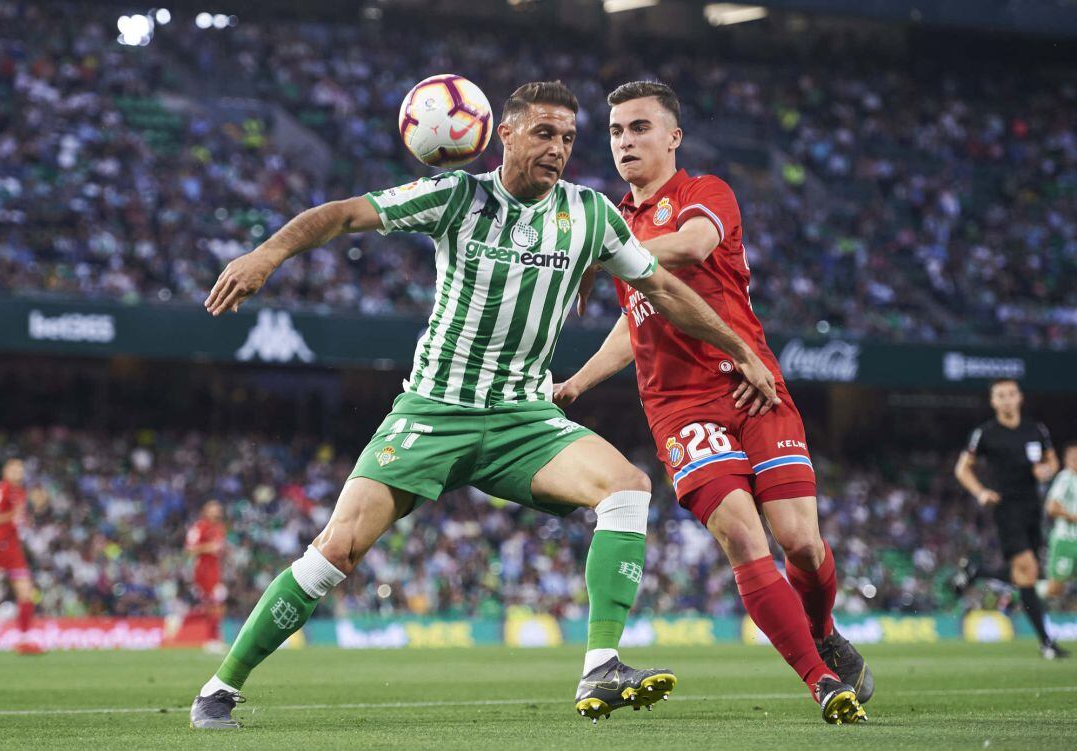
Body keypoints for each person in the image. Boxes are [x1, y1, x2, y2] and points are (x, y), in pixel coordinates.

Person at [190, 80, 782, 729]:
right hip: (434, 411)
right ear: (503, 134)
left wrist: (743, 349)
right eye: (543, 133)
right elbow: (343, 214)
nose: (557, 147)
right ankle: (220, 687)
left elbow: (664, 288)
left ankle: (601, 664)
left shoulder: (590, 215)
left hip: (522, 419)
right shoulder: (457, 198)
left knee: (626, 486)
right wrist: (267, 253)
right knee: (336, 550)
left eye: (566, 137)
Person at [554, 81, 871, 725]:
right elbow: (635, 320)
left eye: (639, 128)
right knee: (742, 537)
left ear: (673, 137)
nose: (625, 142)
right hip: (681, 408)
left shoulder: (706, 194)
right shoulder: (617, 223)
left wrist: (605, 255)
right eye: (615, 132)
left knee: (802, 544)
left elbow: (695, 246)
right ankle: (821, 680)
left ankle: (824, 629)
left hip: (753, 384)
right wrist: (578, 384)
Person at [953, 378, 1068, 659]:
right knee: (1026, 568)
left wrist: (1047, 470)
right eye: (1000, 395)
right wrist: (980, 492)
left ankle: (978, 572)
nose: (1006, 399)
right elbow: (962, 469)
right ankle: (1047, 642)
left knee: (1025, 575)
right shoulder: (986, 433)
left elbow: (1052, 461)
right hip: (1006, 508)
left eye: (1010, 394)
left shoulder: (1035, 429)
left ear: (1020, 398)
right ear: (993, 402)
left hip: (1033, 507)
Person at [0, 458, 43, 655]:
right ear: (6, 471)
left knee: (26, 593)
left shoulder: (21, 493)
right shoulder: (1, 489)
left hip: (14, 548)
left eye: (21, 469)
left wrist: (38, 508)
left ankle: (24, 640)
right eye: (14, 468)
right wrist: (11, 515)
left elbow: (20, 519)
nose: (18, 472)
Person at [186, 500, 227, 651]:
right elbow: (190, 549)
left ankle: (214, 638)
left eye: (218, 508)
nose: (217, 511)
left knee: (216, 605)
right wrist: (208, 547)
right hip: (203, 571)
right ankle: (211, 639)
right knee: (213, 605)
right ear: (205, 510)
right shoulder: (199, 527)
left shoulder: (220, 528)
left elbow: (219, 549)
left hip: (215, 570)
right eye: (213, 508)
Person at [1045, 442, 1077, 601]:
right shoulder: (1065, 478)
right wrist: (1073, 516)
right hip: (1066, 540)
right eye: (1072, 456)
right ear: (1066, 459)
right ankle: (1020, 592)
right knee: (1055, 589)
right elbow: (1051, 508)